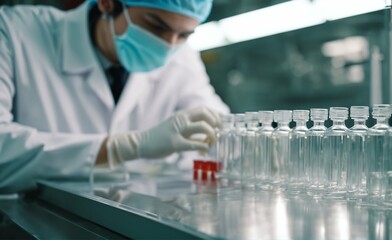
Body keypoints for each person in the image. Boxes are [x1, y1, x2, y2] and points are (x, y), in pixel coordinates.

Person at [0, 0, 229, 193]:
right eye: (155, 26)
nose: (168, 46)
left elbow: (221, 133)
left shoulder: (182, 58)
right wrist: (123, 147)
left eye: (184, 35)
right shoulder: (15, 31)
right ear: (107, 3)